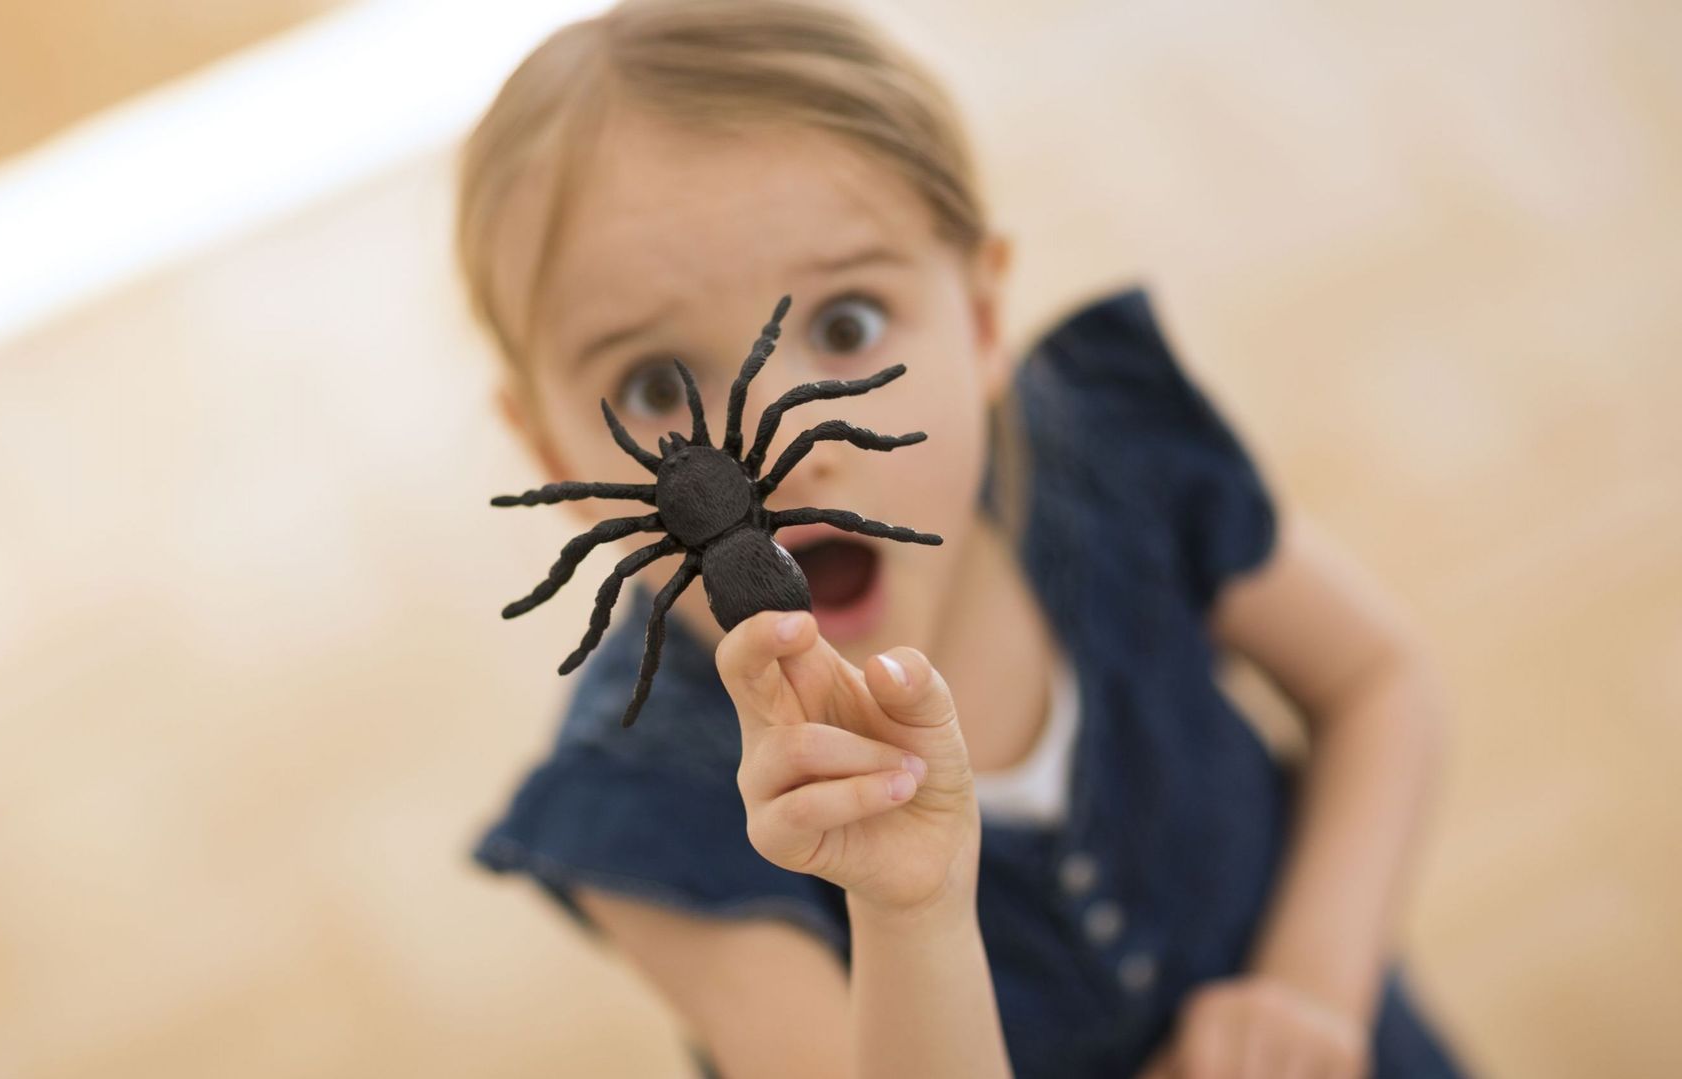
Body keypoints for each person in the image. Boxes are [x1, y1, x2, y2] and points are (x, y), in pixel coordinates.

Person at [459, 2, 1468, 1075]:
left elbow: (1379, 681)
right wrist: (913, 908)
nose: (782, 456)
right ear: (549, 451)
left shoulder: (1106, 449)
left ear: (983, 320)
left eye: (846, 325)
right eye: (656, 384)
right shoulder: (646, 812)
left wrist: (1311, 986)